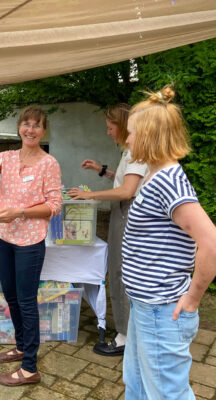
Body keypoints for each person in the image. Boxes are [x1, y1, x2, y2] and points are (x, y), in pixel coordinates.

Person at [122, 86, 216, 399]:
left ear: (148, 136)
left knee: (166, 394)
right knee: (137, 386)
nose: (127, 139)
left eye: (132, 133)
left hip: (162, 311)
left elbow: (212, 242)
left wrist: (192, 298)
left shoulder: (168, 180)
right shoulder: (154, 175)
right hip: (145, 306)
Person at [0, 105, 62, 386]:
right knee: (12, 296)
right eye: (26, 124)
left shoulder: (49, 163)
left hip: (30, 240)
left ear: (44, 130)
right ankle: (21, 346)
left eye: (37, 125)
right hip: (4, 238)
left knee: (27, 301)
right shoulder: (4, 158)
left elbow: (54, 204)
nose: (30, 129)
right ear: (19, 127)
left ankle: (30, 368)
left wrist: (20, 212)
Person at [67, 104, 149, 356]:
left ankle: (124, 336)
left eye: (110, 127)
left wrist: (89, 195)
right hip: (124, 212)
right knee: (120, 270)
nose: (108, 132)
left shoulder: (137, 149)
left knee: (121, 271)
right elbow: (127, 180)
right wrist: (102, 170)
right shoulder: (130, 151)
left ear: (123, 126)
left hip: (127, 213)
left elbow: (127, 190)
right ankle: (130, 331)